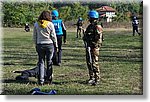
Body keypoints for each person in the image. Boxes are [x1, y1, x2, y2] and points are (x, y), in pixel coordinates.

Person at [33, 10, 58, 85]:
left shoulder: (36, 24)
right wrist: (56, 45)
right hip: (49, 44)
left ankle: (41, 80)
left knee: (41, 62)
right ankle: (49, 79)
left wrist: (36, 44)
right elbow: (53, 36)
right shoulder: (50, 24)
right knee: (49, 62)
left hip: (40, 44)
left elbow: (34, 36)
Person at [83, 10, 103, 85]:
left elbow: (99, 40)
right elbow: (85, 36)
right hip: (88, 47)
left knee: (95, 63)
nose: (89, 19)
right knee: (89, 62)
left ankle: (97, 78)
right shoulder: (90, 26)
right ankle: (91, 77)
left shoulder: (98, 27)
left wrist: (93, 46)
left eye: (89, 17)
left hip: (94, 48)